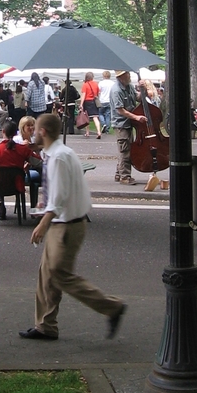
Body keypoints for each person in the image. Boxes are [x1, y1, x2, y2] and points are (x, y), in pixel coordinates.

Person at [18, 113, 126, 341]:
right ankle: (45, 326)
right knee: (46, 275)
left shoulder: (58, 158)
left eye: (35, 129)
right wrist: (44, 205)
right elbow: (59, 192)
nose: (33, 132)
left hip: (66, 225)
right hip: (65, 222)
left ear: (43, 132)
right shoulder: (57, 154)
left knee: (59, 274)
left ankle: (111, 307)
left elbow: (59, 196)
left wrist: (42, 224)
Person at [0, 119, 40, 220]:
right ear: (15, 133)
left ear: (3, 131)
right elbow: (38, 162)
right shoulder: (23, 150)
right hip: (16, 185)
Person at [109, 71, 147, 186]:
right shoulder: (116, 90)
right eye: (127, 74)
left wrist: (142, 90)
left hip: (128, 123)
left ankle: (118, 173)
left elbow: (137, 98)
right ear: (120, 77)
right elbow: (120, 110)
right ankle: (125, 177)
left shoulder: (128, 86)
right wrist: (136, 117)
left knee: (125, 148)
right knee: (125, 150)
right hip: (121, 124)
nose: (129, 76)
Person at [79, 72, 102, 140]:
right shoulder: (96, 84)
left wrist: (81, 104)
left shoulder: (85, 85)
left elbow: (83, 95)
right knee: (95, 117)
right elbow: (98, 93)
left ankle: (87, 132)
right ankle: (98, 131)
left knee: (87, 117)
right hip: (94, 101)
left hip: (87, 102)